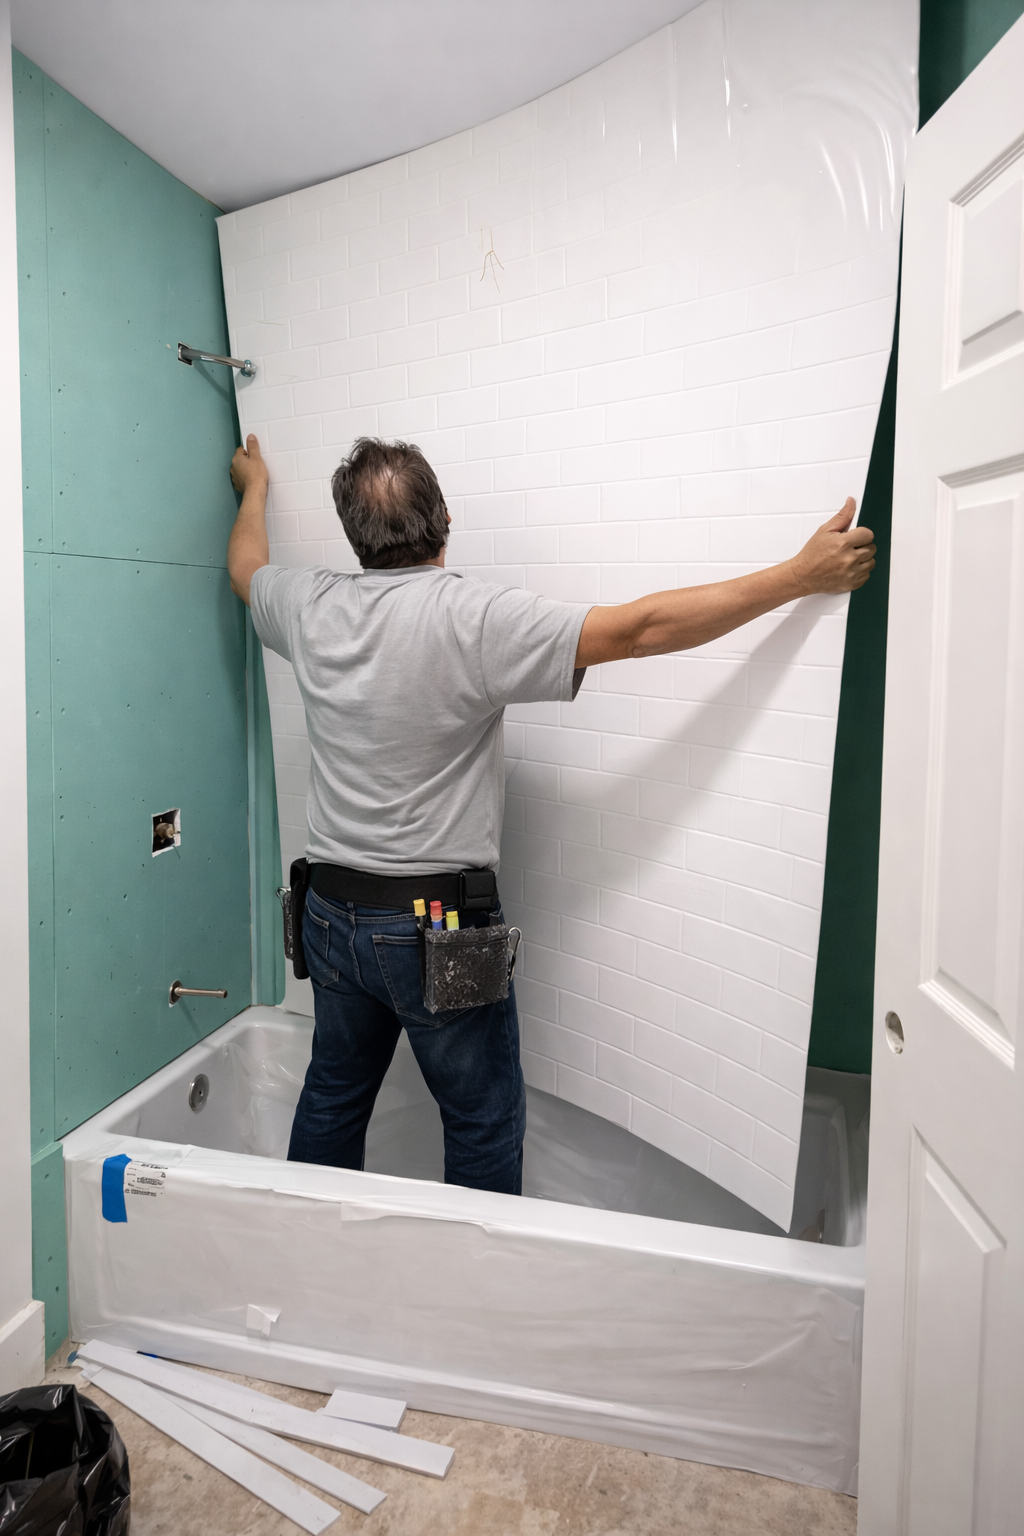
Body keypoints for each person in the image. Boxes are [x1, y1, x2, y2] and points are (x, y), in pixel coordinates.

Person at [227, 433, 875, 1196]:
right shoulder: (473, 617)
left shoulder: (308, 605)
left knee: (333, 1098)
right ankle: (479, 1298)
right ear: (443, 523)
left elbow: (245, 569)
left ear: (354, 539)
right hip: (438, 927)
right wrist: (798, 576)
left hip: (331, 917)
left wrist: (256, 488)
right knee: (481, 1119)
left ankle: (303, 1266)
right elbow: (641, 629)